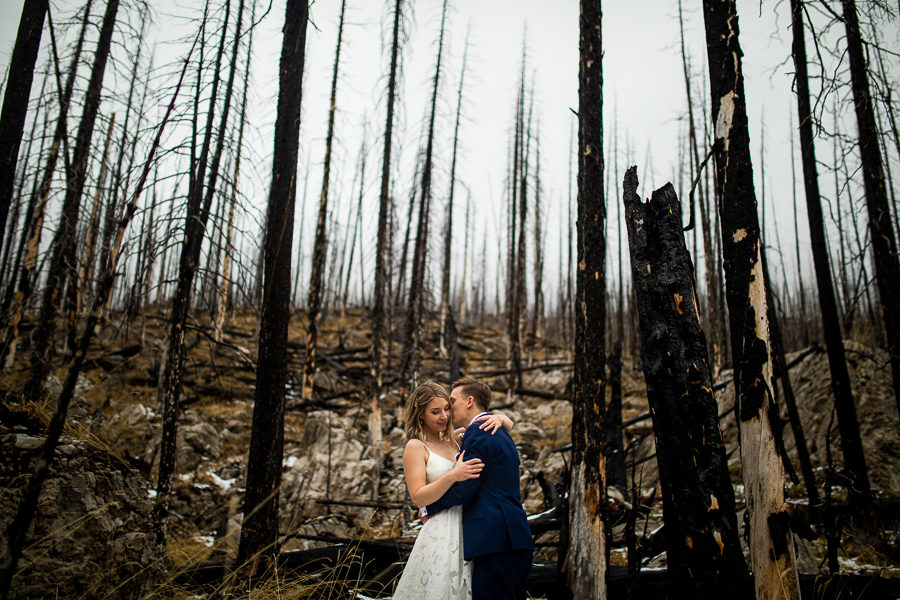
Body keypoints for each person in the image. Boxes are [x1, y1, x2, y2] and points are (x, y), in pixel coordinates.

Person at [392, 381, 514, 600]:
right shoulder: (416, 446)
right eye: (435, 412)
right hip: (441, 530)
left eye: (447, 408)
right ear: (420, 414)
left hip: (470, 526)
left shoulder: (457, 440)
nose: (444, 416)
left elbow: (502, 427)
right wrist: (452, 476)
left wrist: (500, 418)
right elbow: (418, 497)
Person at [426, 379, 533, 600]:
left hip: (497, 540)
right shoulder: (498, 431)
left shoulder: (480, 432)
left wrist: (430, 507)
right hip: (512, 535)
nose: (448, 408)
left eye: (452, 401)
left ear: (470, 401)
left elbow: (467, 486)